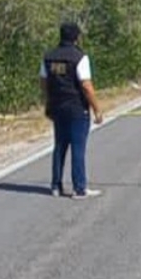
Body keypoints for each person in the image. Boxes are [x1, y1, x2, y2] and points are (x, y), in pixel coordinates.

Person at [40, 21, 105, 198]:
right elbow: (86, 85)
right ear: (77, 37)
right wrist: (97, 109)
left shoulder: (48, 57)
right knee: (78, 148)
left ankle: (55, 186)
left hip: (57, 108)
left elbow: (44, 82)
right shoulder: (79, 57)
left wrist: (48, 102)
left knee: (59, 147)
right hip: (77, 108)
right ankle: (79, 188)